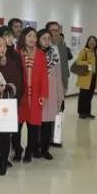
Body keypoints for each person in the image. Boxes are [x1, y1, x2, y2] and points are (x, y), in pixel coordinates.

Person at [16, 27, 48, 163]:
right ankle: (17, 150)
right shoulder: (17, 53)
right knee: (17, 126)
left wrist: (44, 95)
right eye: (29, 36)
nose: (32, 39)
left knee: (33, 126)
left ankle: (29, 150)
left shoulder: (40, 54)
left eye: (34, 36)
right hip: (21, 96)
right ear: (24, 37)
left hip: (35, 96)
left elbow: (44, 76)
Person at [0, 34, 20, 175]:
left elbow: (17, 83)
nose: (3, 48)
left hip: (5, 103)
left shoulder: (11, 63)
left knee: (5, 134)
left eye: (5, 46)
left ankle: (3, 162)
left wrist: (9, 87)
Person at [0, 26, 23, 162]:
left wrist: (16, 94)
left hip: (11, 96)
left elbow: (20, 77)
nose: (9, 39)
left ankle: (13, 151)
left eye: (10, 36)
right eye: (6, 36)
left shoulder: (16, 55)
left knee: (11, 127)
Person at [37, 29, 63, 159]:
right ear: (38, 40)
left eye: (49, 38)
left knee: (47, 123)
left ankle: (45, 149)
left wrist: (60, 95)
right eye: (44, 38)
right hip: (37, 93)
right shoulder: (34, 54)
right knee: (36, 123)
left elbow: (58, 77)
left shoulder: (55, 55)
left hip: (51, 93)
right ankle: (35, 146)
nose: (47, 41)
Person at [75, 36, 97, 119]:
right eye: (90, 40)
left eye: (94, 41)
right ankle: (81, 112)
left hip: (94, 77)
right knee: (83, 96)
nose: (92, 42)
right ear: (87, 42)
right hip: (85, 77)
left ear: (96, 43)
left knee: (89, 96)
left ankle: (87, 112)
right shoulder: (84, 51)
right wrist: (87, 62)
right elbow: (78, 62)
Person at [46, 22, 70, 94]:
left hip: (59, 84)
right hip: (47, 83)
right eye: (52, 30)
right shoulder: (43, 46)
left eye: (57, 30)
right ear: (47, 31)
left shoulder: (62, 46)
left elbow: (65, 67)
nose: (55, 33)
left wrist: (65, 85)